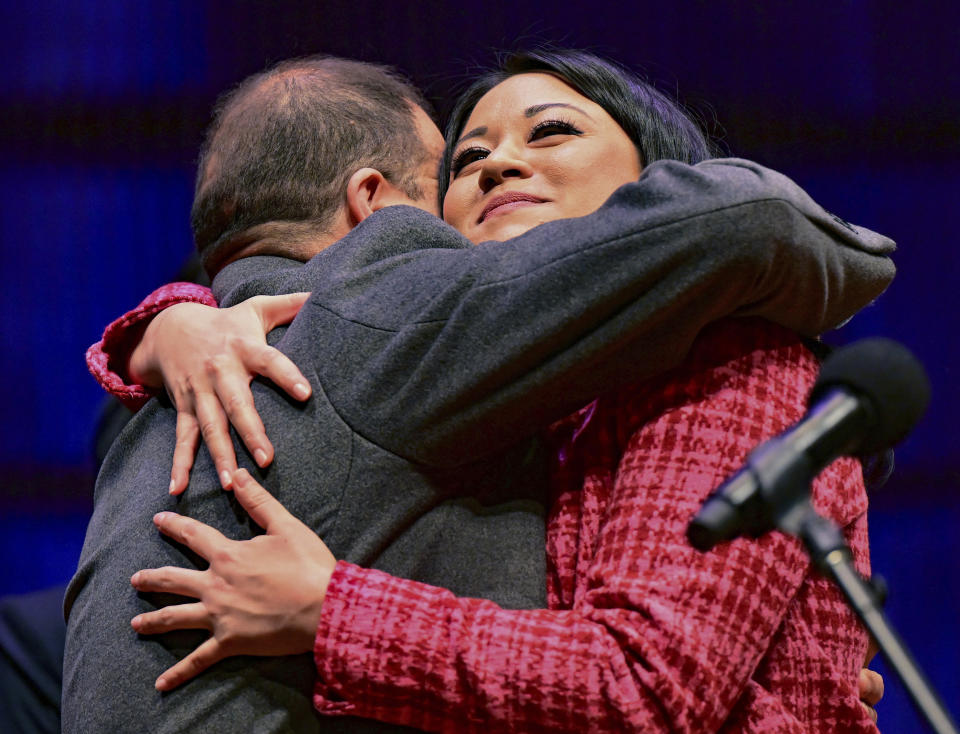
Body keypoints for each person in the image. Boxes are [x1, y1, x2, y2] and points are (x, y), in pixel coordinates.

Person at [72, 51, 891, 732]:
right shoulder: (508, 404)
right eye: (465, 161)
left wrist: (333, 611)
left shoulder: (728, 361)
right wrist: (170, 322)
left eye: (553, 132)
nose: (498, 161)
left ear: (658, 189)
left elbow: (649, 690)